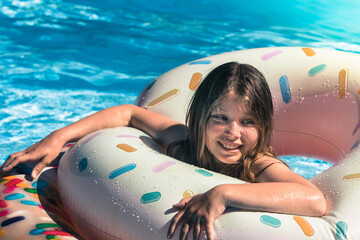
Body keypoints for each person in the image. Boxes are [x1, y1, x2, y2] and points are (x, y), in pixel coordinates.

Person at [1, 62, 326, 240]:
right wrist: (57, 137)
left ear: (264, 126)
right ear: (200, 119)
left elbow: (313, 199)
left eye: (248, 122)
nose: (233, 133)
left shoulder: (257, 165)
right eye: (220, 118)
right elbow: (128, 113)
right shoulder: (183, 142)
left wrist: (223, 194)